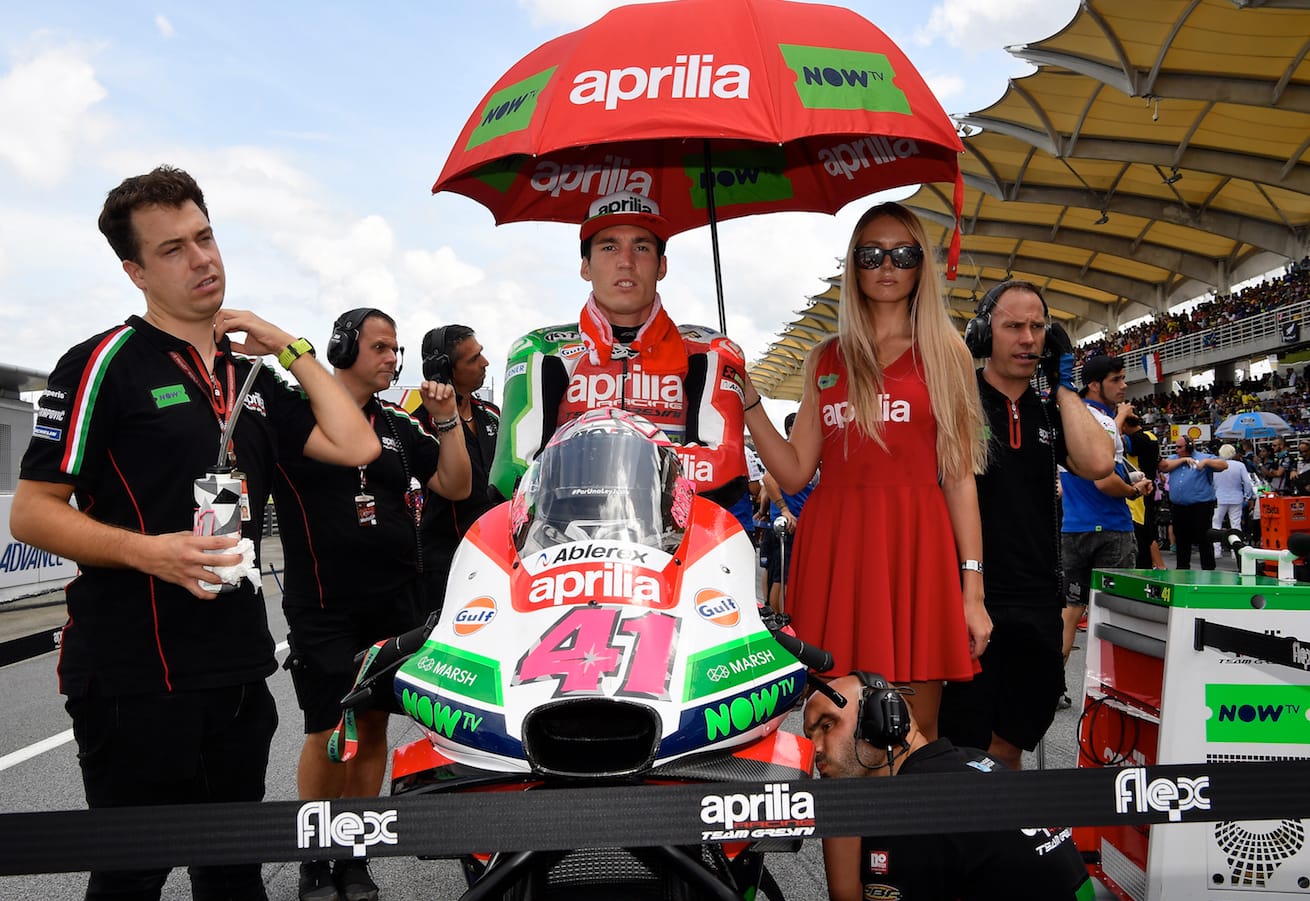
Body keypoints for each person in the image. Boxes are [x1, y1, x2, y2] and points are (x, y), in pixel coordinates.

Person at [9, 165, 379, 901]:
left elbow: (357, 443)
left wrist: (288, 345)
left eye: (205, 237)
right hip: (133, 676)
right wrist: (151, 552)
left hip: (237, 669)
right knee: (131, 878)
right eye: (173, 249)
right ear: (136, 271)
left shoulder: (253, 378)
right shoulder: (100, 363)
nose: (202, 258)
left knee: (234, 876)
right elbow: (33, 510)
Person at [740, 201, 991, 741]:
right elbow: (795, 472)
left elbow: (959, 478)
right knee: (832, 729)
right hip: (836, 553)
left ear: (921, 264)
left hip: (915, 550)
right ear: (853, 265)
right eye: (871, 254)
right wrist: (749, 399)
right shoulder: (825, 359)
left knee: (914, 733)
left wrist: (972, 591)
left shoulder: (945, 352)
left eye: (903, 254)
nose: (887, 265)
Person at [274, 307, 471, 901]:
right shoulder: (297, 412)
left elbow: (456, 485)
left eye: (396, 348)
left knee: (373, 723)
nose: (393, 358)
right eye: (381, 347)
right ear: (342, 348)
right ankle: (315, 856)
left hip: (394, 597)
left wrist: (446, 422)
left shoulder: (397, 423)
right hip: (323, 602)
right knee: (328, 728)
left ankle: (354, 853)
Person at [938, 280, 1114, 770]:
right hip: (971, 595)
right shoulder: (959, 399)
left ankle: (1003, 822)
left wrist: (1064, 386)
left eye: (1038, 328)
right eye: (1013, 326)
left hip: (1038, 598)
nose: (1028, 338)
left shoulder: (1052, 408)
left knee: (1010, 744)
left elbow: (1099, 462)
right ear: (982, 334)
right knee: (962, 745)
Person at [487, 190, 748, 509]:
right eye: (609, 247)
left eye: (642, 247)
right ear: (586, 266)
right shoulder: (542, 350)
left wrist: (588, 468)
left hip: (679, 533)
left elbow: (723, 474)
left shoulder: (709, 349)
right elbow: (512, 475)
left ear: (662, 266)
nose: (626, 262)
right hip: (560, 531)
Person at [803, 672, 1093, 901]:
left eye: (827, 726)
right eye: (809, 736)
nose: (815, 748)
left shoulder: (908, 816)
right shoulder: (970, 760)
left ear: (880, 722)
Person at [1058, 355, 1154, 662]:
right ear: (1094, 385)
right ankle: (1111, 681)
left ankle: (1054, 682)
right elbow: (1104, 481)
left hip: (1073, 527)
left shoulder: (1067, 417)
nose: (1124, 385)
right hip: (1110, 528)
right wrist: (1133, 491)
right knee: (1116, 612)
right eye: (1116, 380)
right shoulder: (1101, 422)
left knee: (1070, 611)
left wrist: (1130, 479)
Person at [416, 324, 499, 611]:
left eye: (481, 354)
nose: (485, 363)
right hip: (447, 566)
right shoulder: (419, 426)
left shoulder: (492, 415)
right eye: (473, 358)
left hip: (496, 556)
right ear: (443, 370)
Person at [761, 412, 816, 614]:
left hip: (793, 523)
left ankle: (777, 617)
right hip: (789, 525)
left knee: (782, 575)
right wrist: (783, 509)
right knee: (784, 578)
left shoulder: (802, 453)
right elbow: (768, 479)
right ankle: (780, 620)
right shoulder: (791, 452)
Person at [1159, 434, 1227, 570]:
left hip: (1200, 506)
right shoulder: (1174, 458)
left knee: (1204, 538)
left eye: (1179, 447)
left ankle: (1208, 569)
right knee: (1181, 540)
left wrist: (1206, 462)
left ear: (1189, 447)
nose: (1177, 450)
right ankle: (1182, 568)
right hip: (1179, 506)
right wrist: (1183, 460)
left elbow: (1223, 465)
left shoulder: (1203, 457)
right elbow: (1164, 467)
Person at [1121, 415, 1165, 568]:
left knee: (1141, 533)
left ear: (1125, 425)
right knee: (1148, 531)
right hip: (1149, 487)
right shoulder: (1151, 436)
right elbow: (1162, 464)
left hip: (1138, 491)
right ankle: (1156, 566)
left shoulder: (1135, 439)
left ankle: (1146, 567)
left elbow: (1112, 441)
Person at [1212, 442, 1255, 556]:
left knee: (1216, 523)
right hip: (1236, 497)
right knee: (1236, 524)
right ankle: (1236, 550)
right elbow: (1247, 482)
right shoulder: (1239, 465)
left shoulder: (1215, 465)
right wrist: (1247, 495)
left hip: (1219, 497)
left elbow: (1211, 482)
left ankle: (1216, 550)